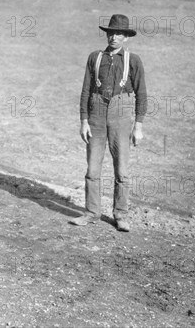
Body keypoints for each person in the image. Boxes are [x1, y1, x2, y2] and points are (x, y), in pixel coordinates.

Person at [72, 14, 147, 232]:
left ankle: (120, 214)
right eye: (110, 32)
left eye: (119, 34)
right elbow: (86, 90)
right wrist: (84, 121)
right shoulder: (94, 57)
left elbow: (141, 94)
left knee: (122, 170)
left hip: (121, 114)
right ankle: (92, 212)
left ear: (126, 37)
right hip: (96, 114)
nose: (114, 37)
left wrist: (138, 125)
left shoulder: (133, 60)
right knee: (92, 169)